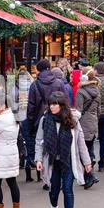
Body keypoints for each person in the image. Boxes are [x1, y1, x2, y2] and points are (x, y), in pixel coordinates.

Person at [35, 91, 93, 208]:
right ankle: (54, 207)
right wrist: (38, 159)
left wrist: (87, 161)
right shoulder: (45, 120)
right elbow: (39, 141)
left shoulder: (72, 120)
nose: (52, 107)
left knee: (68, 190)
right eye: (51, 104)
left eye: (55, 104)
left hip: (68, 160)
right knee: (54, 190)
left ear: (62, 105)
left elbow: (80, 143)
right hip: (52, 161)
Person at [27, 59, 66, 189]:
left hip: (40, 119)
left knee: (43, 147)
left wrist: (31, 121)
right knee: (58, 147)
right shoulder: (59, 83)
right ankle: (57, 177)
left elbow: (31, 106)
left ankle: (45, 177)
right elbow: (65, 101)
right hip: (58, 118)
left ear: (38, 70)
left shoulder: (35, 85)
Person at [75, 67, 100, 189]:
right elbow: (98, 110)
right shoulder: (96, 90)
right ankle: (89, 173)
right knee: (89, 148)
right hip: (93, 122)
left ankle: (90, 175)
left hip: (83, 123)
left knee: (82, 150)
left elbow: (78, 110)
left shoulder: (81, 92)